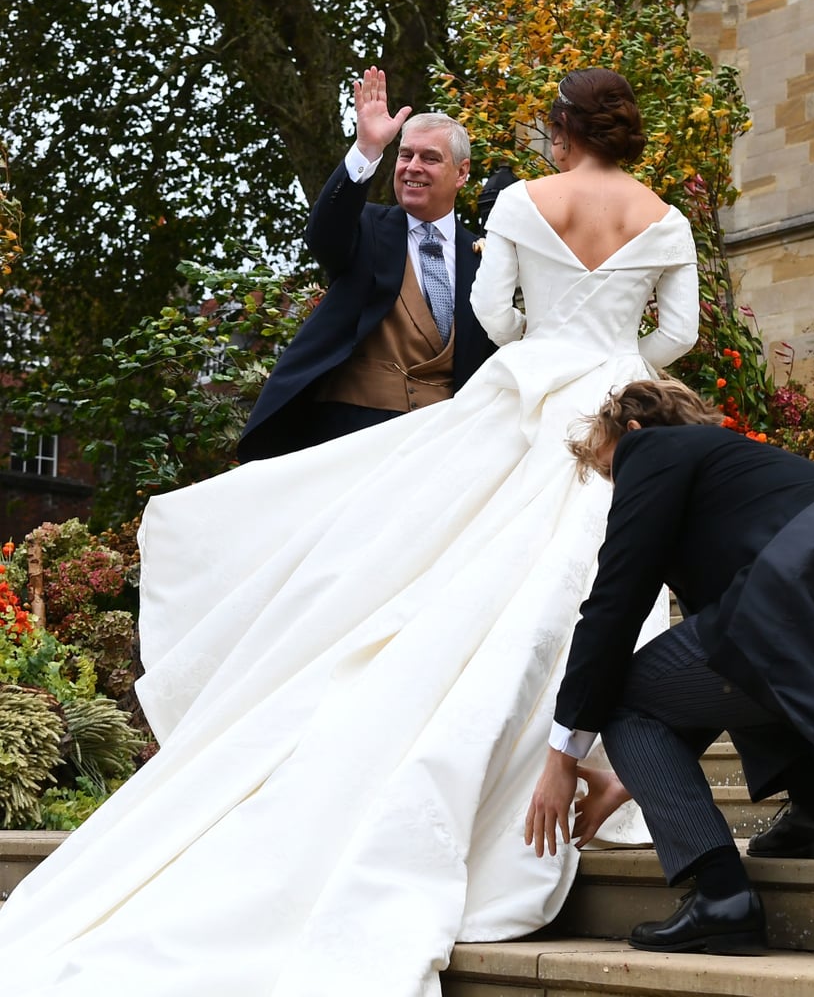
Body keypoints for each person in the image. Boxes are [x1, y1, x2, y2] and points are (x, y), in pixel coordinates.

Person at [0, 68, 699, 996]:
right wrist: (616, 364)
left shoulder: (526, 202)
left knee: (443, 574)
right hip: (614, 403)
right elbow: (680, 333)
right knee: (596, 574)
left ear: (567, 126)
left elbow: (492, 318)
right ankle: (606, 761)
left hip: (526, 401)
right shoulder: (667, 219)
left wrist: (550, 347)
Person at [526, 377, 814, 955]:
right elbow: (712, 671)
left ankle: (721, 894)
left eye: (611, 469)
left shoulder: (652, 450)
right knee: (729, 644)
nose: (619, 487)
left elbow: (614, 602)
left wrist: (562, 756)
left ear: (634, 432)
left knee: (622, 696)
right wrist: (629, 778)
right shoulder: (740, 471)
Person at [238, 66, 496, 462]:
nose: (412, 167)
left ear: (462, 173)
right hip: (350, 433)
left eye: (430, 158)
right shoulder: (368, 227)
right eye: (406, 155)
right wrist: (367, 149)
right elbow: (324, 234)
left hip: (441, 443)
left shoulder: (483, 255)